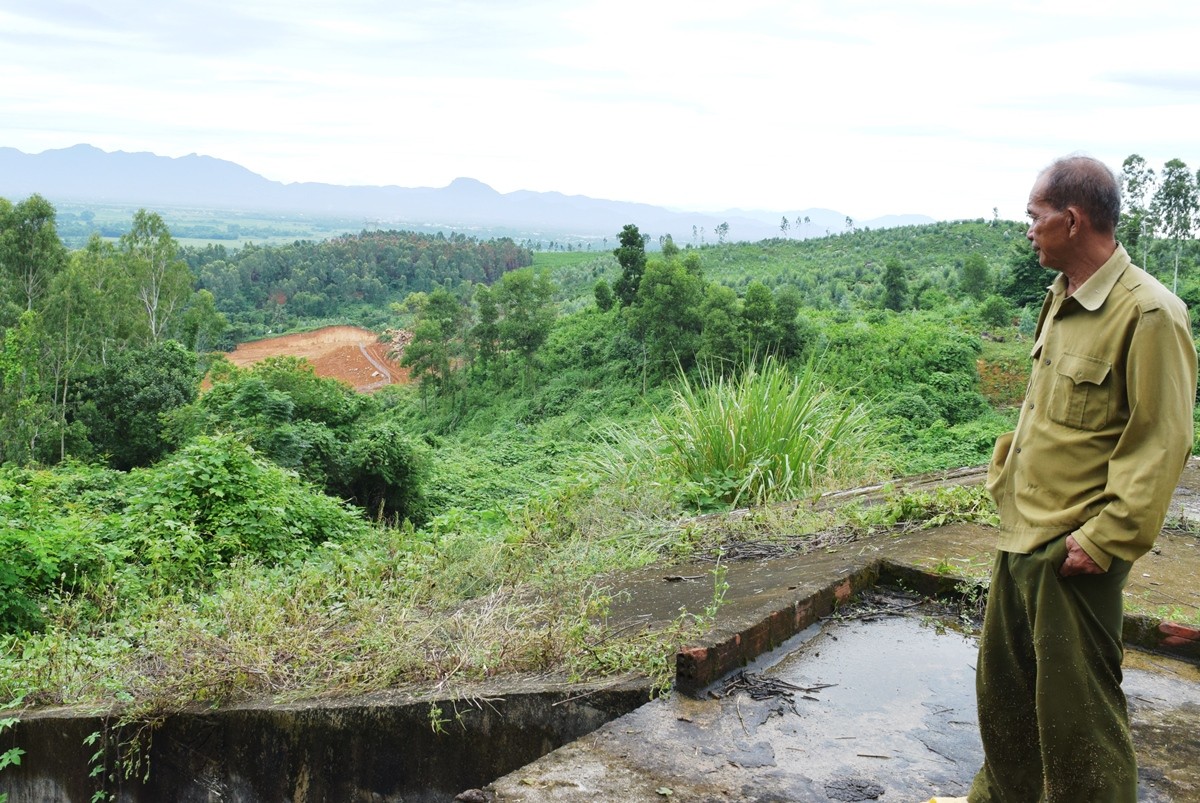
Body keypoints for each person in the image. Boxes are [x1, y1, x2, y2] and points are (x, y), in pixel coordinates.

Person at [930, 156, 1199, 803]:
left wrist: (1101, 540)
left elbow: (1163, 440)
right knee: (1006, 709)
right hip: (1021, 535)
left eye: (1035, 216)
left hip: (1073, 553)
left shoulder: (1149, 314)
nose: (1029, 229)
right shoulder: (1063, 298)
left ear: (1072, 220)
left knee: (1080, 732)